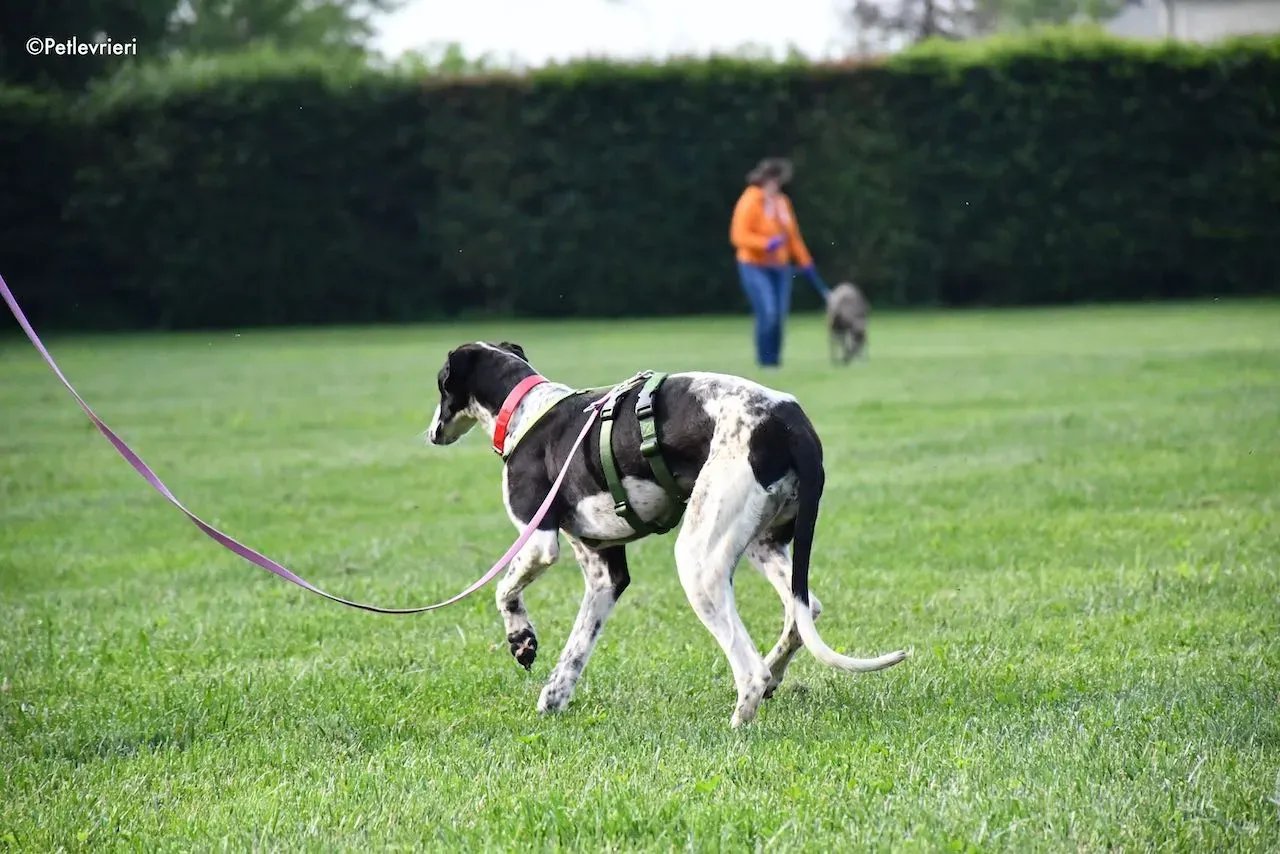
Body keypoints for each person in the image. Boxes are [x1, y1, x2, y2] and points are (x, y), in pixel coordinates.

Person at [729, 157, 829, 368]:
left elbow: (792, 236)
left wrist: (805, 261)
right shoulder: (749, 201)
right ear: (766, 179)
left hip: (780, 268)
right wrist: (765, 244)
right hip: (754, 266)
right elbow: (739, 236)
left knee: (779, 316)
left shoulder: (782, 202)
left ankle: (774, 362)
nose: (778, 186)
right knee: (768, 312)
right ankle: (764, 361)